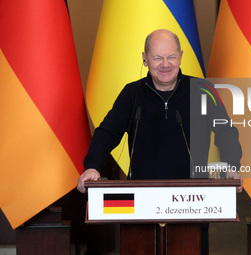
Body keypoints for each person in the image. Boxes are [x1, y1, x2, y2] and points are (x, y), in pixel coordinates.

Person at [77, 29, 242, 254]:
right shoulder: (132, 94)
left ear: (181, 56)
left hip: (194, 200)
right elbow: (107, 133)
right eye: (157, 57)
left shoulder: (204, 91)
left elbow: (227, 133)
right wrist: (92, 166)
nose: (165, 64)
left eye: (171, 57)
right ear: (145, 58)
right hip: (140, 200)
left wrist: (232, 166)